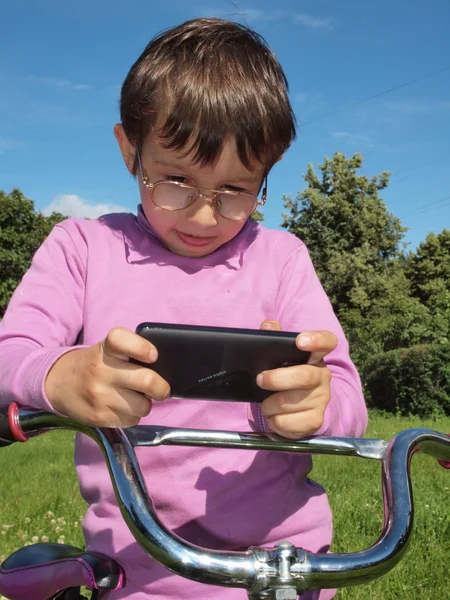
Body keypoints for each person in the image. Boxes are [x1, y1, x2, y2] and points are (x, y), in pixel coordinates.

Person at [0, 17, 367, 600]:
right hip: (138, 565)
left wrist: (317, 403)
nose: (202, 216)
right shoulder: (82, 248)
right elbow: (11, 352)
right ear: (128, 149)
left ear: (266, 174)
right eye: (174, 179)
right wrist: (58, 374)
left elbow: (347, 395)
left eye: (236, 190)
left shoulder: (282, 259)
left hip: (284, 568)